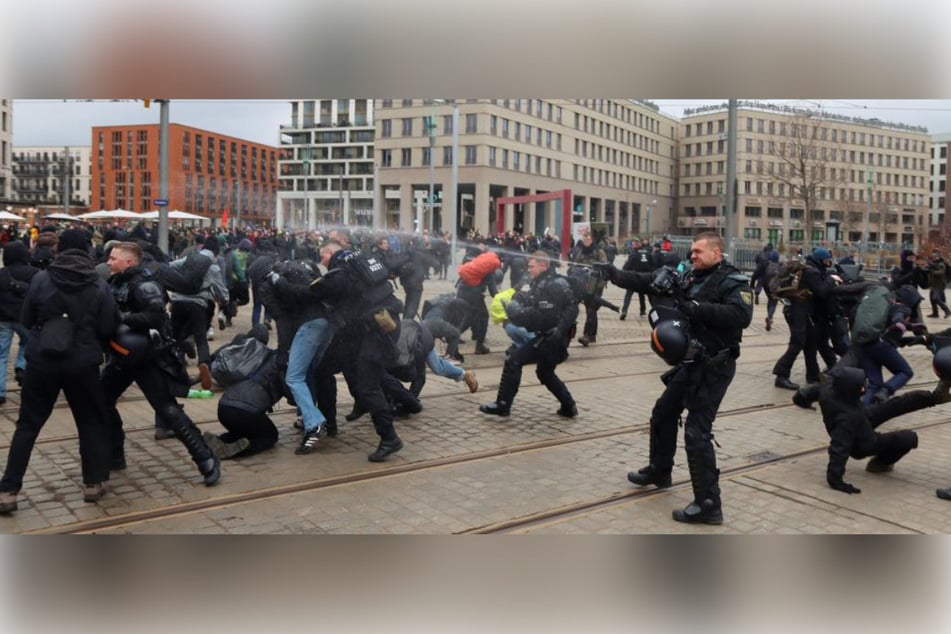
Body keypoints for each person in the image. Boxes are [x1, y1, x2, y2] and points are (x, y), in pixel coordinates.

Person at [597, 232, 753, 524]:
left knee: (696, 432)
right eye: (692, 251)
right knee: (664, 412)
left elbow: (740, 315)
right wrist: (614, 274)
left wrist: (695, 308)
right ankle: (660, 469)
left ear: (717, 254)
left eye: (698, 251)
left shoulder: (734, 281)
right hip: (692, 362)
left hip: (715, 366)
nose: (692, 256)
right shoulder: (688, 275)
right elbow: (647, 282)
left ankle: (709, 504)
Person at [0, 230, 117, 514]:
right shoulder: (98, 283)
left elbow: (26, 318)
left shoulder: (42, 278)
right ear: (88, 251)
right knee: (89, 422)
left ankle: (8, 490)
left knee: (28, 425)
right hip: (83, 362)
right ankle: (92, 483)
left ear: (58, 251)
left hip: (43, 359)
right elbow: (107, 327)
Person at [99, 242, 220, 485]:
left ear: (129, 262)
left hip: (148, 358)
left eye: (113, 258)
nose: (109, 262)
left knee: (167, 408)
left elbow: (155, 316)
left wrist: (122, 319)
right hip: (122, 356)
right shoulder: (115, 282)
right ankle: (114, 453)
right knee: (101, 401)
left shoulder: (145, 285)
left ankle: (205, 457)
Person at [479, 250, 578, 418]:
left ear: (543, 265)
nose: (529, 269)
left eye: (532, 266)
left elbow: (573, 307)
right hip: (546, 336)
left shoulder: (557, 284)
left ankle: (503, 405)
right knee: (544, 372)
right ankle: (569, 406)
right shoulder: (535, 282)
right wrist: (513, 306)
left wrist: (560, 330)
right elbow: (523, 298)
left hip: (555, 339)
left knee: (514, 360)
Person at [819, 366, 941, 495]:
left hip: (862, 416)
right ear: (848, 389)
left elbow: (811, 391)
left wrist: (801, 397)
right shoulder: (847, 419)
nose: (864, 388)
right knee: (909, 438)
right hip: (863, 443)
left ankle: (933, 398)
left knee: (893, 405)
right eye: (860, 387)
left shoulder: (828, 389)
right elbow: (839, 448)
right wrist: (836, 480)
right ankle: (880, 463)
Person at [771, 247, 839, 390]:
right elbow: (821, 291)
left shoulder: (808, 268)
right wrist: (830, 279)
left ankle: (813, 376)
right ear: (821, 260)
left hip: (799, 310)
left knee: (810, 343)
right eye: (827, 261)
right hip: (799, 311)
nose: (828, 264)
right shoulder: (812, 272)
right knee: (798, 342)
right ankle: (781, 375)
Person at [0, 241, 40, 402]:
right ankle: (21, 367)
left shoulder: (2, 273)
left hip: (3, 319)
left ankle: (0, 392)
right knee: (28, 344)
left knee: (1, 355)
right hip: (25, 318)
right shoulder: (34, 273)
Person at [570, 230, 607, 347]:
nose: (586, 240)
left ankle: (587, 335)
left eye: (588, 238)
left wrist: (594, 270)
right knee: (589, 309)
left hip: (596, 285)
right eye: (584, 238)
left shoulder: (599, 252)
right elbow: (575, 265)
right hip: (584, 284)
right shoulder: (581, 252)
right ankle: (592, 335)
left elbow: (605, 267)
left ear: (592, 240)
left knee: (591, 309)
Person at [619, 239, 653, 320]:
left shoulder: (633, 254)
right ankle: (645, 310)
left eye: (633, 244)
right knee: (647, 294)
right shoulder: (648, 253)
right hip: (646, 277)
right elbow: (653, 264)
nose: (632, 245)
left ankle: (624, 311)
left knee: (628, 294)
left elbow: (626, 267)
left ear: (636, 245)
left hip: (634, 276)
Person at [926, 250, 951, 318]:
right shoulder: (933, 264)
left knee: (936, 298)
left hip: (939, 285)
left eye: (936, 257)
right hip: (933, 284)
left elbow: (940, 272)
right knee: (932, 299)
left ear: (938, 257)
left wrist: (932, 271)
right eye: (933, 257)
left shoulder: (941, 264)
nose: (934, 258)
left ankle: (947, 311)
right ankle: (935, 313)